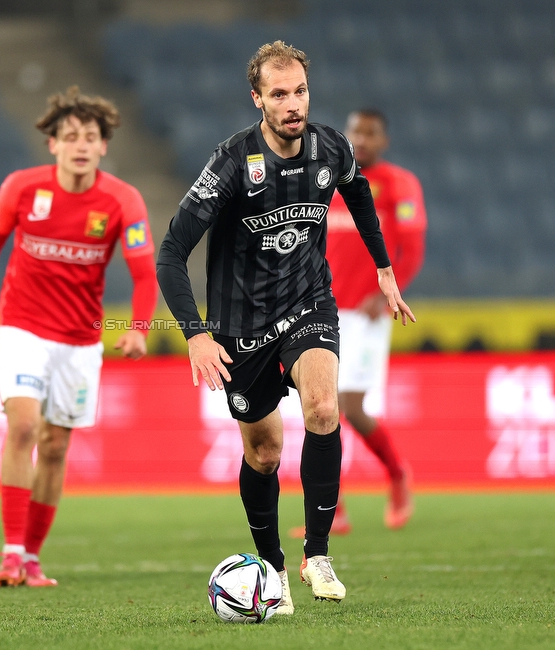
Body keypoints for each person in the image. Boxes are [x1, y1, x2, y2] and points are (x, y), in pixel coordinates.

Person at [156, 42, 415, 614]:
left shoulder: (331, 147)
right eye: (279, 94)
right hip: (240, 324)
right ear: (258, 99)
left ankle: (317, 554)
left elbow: (358, 192)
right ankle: (270, 568)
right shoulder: (230, 163)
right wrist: (197, 334)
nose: (293, 104)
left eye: (299, 91)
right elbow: (171, 251)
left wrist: (384, 268)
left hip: (308, 302)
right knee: (266, 453)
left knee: (325, 408)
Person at [0, 86, 159, 588]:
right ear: (52, 144)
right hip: (23, 326)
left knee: (54, 446)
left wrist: (138, 329)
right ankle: (8, 553)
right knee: (23, 426)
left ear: (104, 145)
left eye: (90, 137)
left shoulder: (122, 200)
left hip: (80, 339)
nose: (80, 145)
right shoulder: (21, 189)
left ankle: (30, 557)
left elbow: (143, 273)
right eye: (70, 137)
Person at [323, 109, 427, 535]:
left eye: (370, 133)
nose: (361, 139)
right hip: (319, 310)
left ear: (383, 140)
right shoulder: (325, 180)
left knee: (350, 407)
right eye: (355, 132)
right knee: (319, 409)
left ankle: (398, 473)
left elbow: (412, 248)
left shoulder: (399, 184)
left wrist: (385, 293)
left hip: (365, 314)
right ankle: (332, 509)